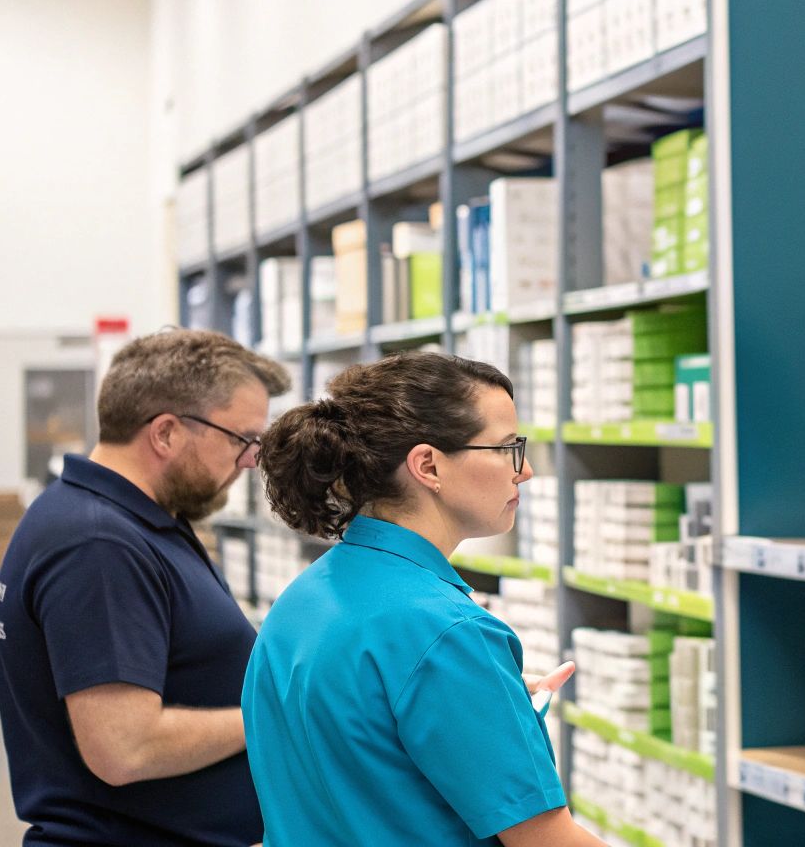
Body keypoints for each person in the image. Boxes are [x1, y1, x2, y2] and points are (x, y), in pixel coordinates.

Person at [243, 352, 607, 846]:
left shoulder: (303, 599)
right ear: (429, 465)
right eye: (507, 449)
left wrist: (490, 699)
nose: (525, 473)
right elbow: (546, 841)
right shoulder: (447, 633)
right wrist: (468, 674)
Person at [0, 329, 291, 846]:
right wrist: (273, 714)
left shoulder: (134, 521)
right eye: (241, 439)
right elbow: (122, 749)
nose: (249, 460)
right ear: (167, 433)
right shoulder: (98, 544)